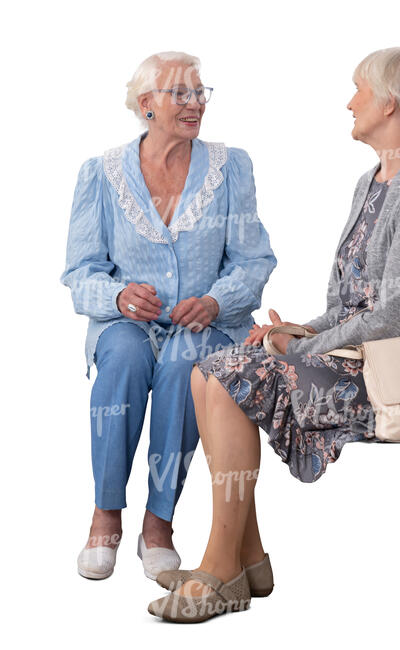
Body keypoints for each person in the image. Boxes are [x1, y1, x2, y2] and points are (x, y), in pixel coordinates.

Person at [148, 46, 400, 623]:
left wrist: (298, 348)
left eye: (360, 90)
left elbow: (393, 320)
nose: (350, 101)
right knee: (212, 370)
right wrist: (294, 331)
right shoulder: (372, 180)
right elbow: (349, 305)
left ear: (391, 104)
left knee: (226, 378)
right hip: (367, 354)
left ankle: (224, 564)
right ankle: (242, 556)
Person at [59, 51, 277, 581]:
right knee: (125, 361)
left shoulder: (231, 166)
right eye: (181, 93)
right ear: (147, 105)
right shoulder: (100, 174)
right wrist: (117, 299)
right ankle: (105, 513)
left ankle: (159, 523)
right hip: (126, 325)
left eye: (200, 92)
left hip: (205, 325)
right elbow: (80, 270)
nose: (195, 103)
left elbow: (253, 260)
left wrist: (216, 301)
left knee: (185, 366)